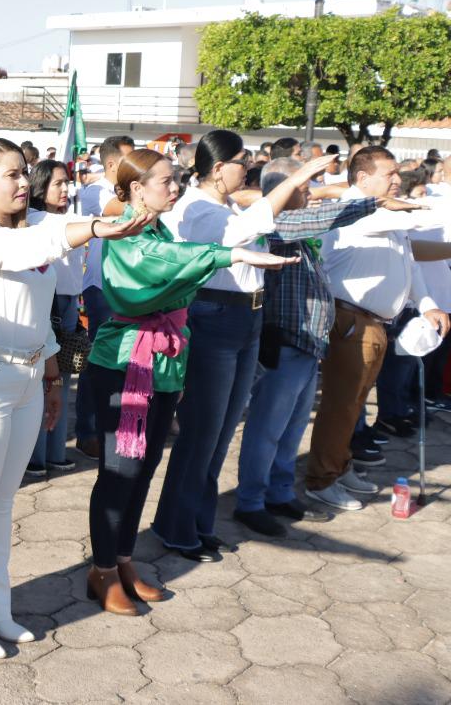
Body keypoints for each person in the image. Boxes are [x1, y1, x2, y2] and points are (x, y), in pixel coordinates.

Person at [0, 140, 147, 659]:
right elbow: (33, 251)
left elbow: (43, 303)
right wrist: (95, 228)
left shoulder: (34, 225)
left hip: (27, 375)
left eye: (25, 173)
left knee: (3, 503)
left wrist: (51, 377)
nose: (23, 182)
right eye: (11, 174)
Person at [82, 149, 294, 614]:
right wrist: (230, 253)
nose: (174, 187)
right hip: (124, 363)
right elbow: (160, 261)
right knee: (119, 472)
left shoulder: (156, 225)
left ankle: (122, 560)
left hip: (161, 360)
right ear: (136, 188)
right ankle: (101, 571)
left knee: (146, 465)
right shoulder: (125, 230)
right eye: (164, 181)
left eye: (176, 179)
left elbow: (172, 257)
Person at [151, 131, 333, 561]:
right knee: (202, 431)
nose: (247, 168)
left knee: (220, 433)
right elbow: (243, 231)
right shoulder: (197, 206)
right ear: (218, 168)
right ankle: (177, 527)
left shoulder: (224, 202)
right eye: (242, 161)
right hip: (215, 317)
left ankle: (197, 520)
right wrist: (299, 175)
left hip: (245, 317)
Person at [234, 157, 414, 537]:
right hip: (284, 343)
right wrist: (372, 202)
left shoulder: (296, 224)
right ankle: (251, 501)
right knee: (268, 427)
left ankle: (280, 491)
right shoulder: (278, 222)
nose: (308, 193)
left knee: (292, 427)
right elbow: (323, 217)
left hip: (306, 345)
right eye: (301, 187)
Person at [307, 147, 451, 511]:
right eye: (390, 173)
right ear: (362, 178)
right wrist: (419, 209)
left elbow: (409, 258)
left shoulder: (383, 213)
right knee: (341, 407)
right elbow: (417, 223)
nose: (397, 180)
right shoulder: (353, 211)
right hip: (351, 321)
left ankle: (340, 467)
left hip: (372, 323)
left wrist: (428, 303)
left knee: (354, 406)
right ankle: (322, 480)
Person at [74, 135, 135, 459]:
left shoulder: (132, 189)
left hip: (129, 287)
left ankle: (115, 428)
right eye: (129, 158)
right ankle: (88, 429)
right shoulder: (96, 190)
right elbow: (120, 208)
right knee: (99, 362)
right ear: (112, 163)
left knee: (125, 362)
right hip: (103, 288)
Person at [26, 159, 85, 477]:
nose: (65, 189)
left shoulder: (69, 218)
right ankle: (34, 454)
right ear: (40, 185)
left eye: (68, 183)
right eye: (58, 183)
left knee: (63, 375)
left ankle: (55, 450)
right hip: (43, 300)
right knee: (42, 379)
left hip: (69, 302)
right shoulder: (33, 220)